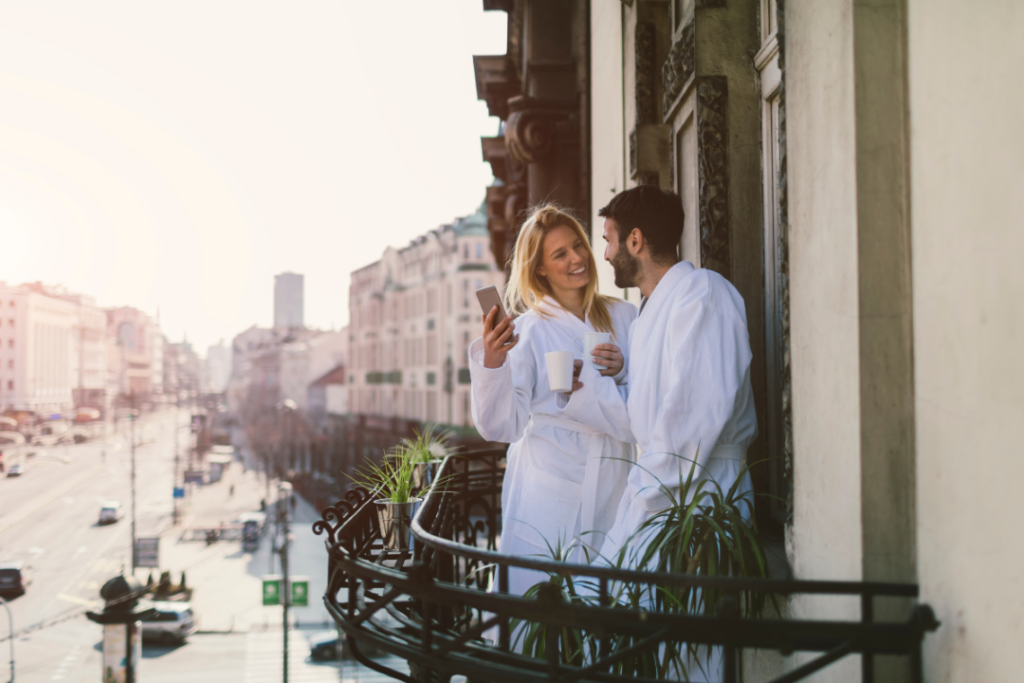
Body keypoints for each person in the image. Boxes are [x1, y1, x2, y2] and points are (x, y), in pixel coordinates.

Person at [561, 185, 757, 565]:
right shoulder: (646, 316)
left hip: (702, 497)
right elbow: (653, 410)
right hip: (661, 490)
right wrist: (609, 379)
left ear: (635, 241)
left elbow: (694, 417)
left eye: (609, 240)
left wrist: (641, 496)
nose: (604, 254)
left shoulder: (703, 294)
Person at [469, 204, 637, 595]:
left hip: (613, 470)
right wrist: (494, 363)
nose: (577, 258)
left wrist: (623, 367)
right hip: (548, 481)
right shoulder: (528, 332)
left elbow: (651, 394)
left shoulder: (625, 316)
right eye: (560, 254)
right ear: (539, 268)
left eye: (578, 246)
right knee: (543, 600)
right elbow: (501, 426)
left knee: (606, 599)